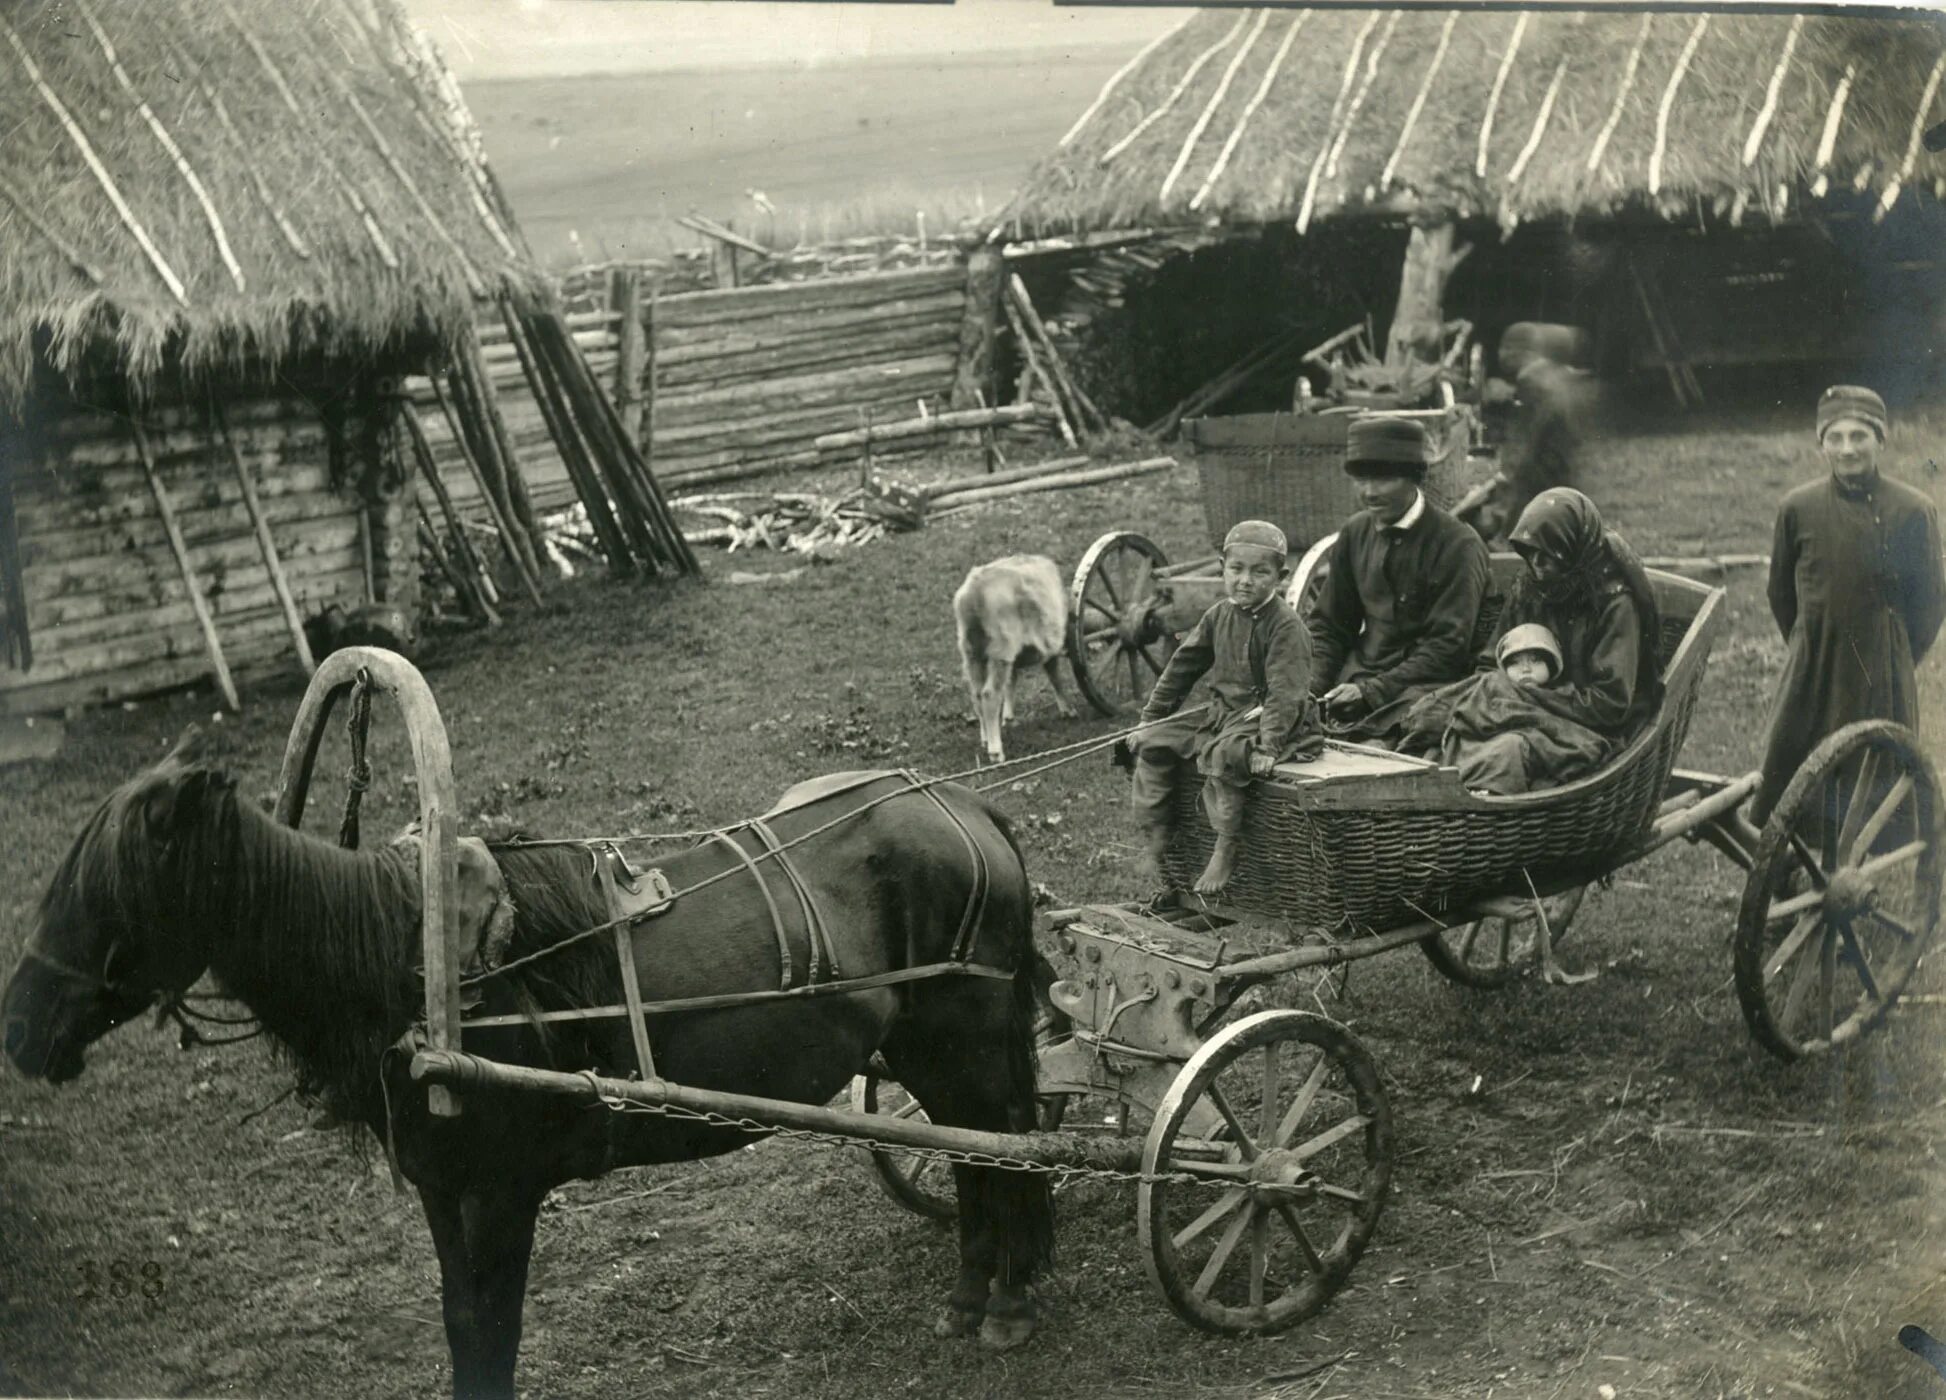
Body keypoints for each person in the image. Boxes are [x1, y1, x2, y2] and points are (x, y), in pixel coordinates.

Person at [1751, 385, 1945, 828]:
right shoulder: (1796, 508)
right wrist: (1808, 640)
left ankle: (1876, 839)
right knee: (1796, 756)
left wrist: (1896, 651)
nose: (1847, 449)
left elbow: (1930, 602)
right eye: (1834, 437)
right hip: (1814, 661)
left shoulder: (1914, 510)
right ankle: (1793, 836)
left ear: (1881, 439)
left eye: (1859, 436)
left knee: (1877, 760)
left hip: (1881, 664)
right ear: (1821, 444)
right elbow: (1780, 592)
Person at [1129, 520, 1322, 894]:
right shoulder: (1218, 615)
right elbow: (1183, 667)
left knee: (1225, 754)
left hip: (1270, 719)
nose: (1245, 580)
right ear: (1223, 569)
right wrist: (1150, 717)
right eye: (1236, 569)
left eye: (1259, 572)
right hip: (1223, 714)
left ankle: (1227, 843)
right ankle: (1158, 829)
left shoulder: (1286, 626)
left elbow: (1287, 692)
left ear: (1280, 577)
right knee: (1153, 742)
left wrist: (1269, 745)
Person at [1309, 415, 1492, 743]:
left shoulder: (1457, 544)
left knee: (1394, 739)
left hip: (1429, 687)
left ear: (1415, 478)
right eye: (1361, 479)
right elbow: (1330, 625)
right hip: (1357, 677)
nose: (1369, 492)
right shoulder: (1355, 533)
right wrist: (1311, 688)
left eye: (1383, 479)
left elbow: (1447, 648)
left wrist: (1372, 692)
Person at [1397, 622, 1610, 795]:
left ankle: (1489, 790)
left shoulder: (1560, 696)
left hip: (1520, 746)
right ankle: (1461, 788)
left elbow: (1565, 731)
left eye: (1535, 660)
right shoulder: (1494, 684)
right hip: (1478, 739)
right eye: (1515, 663)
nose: (1526, 669)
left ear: (1552, 664)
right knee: (1443, 753)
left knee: (1511, 747)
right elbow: (1464, 708)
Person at [1470, 323, 1594, 544]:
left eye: (1506, 349)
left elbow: (1525, 441)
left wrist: (1505, 478)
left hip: (1537, 479)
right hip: (1559, 473)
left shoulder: (1531, 382)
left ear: (1520, 353)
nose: (1501, 355)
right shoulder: (1555, 378)